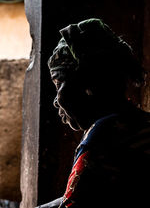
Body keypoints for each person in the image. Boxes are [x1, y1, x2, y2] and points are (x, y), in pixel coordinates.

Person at [36, 18, 150, 208]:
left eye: (58, 85)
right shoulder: (142, 123)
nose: (56, 101)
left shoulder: (103, 137)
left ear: (87, 85)